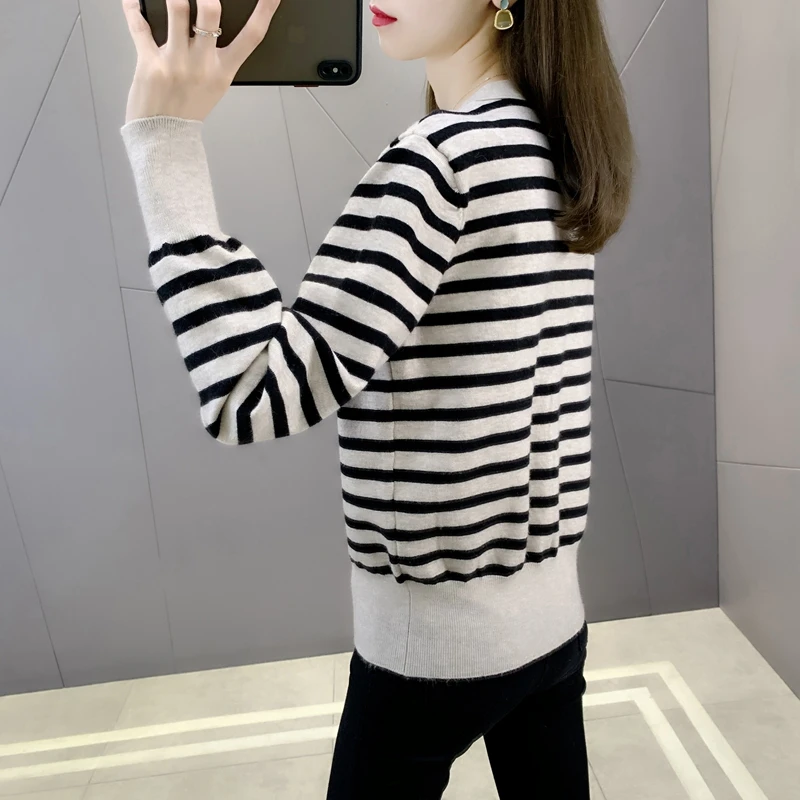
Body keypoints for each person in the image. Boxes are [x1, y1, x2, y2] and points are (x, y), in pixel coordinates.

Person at [120, 0, 634, 797]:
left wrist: (166, 141)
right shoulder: (549, 141)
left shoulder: (441, 163)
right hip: (552, 624)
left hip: (432, 648)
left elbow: (251, 392)